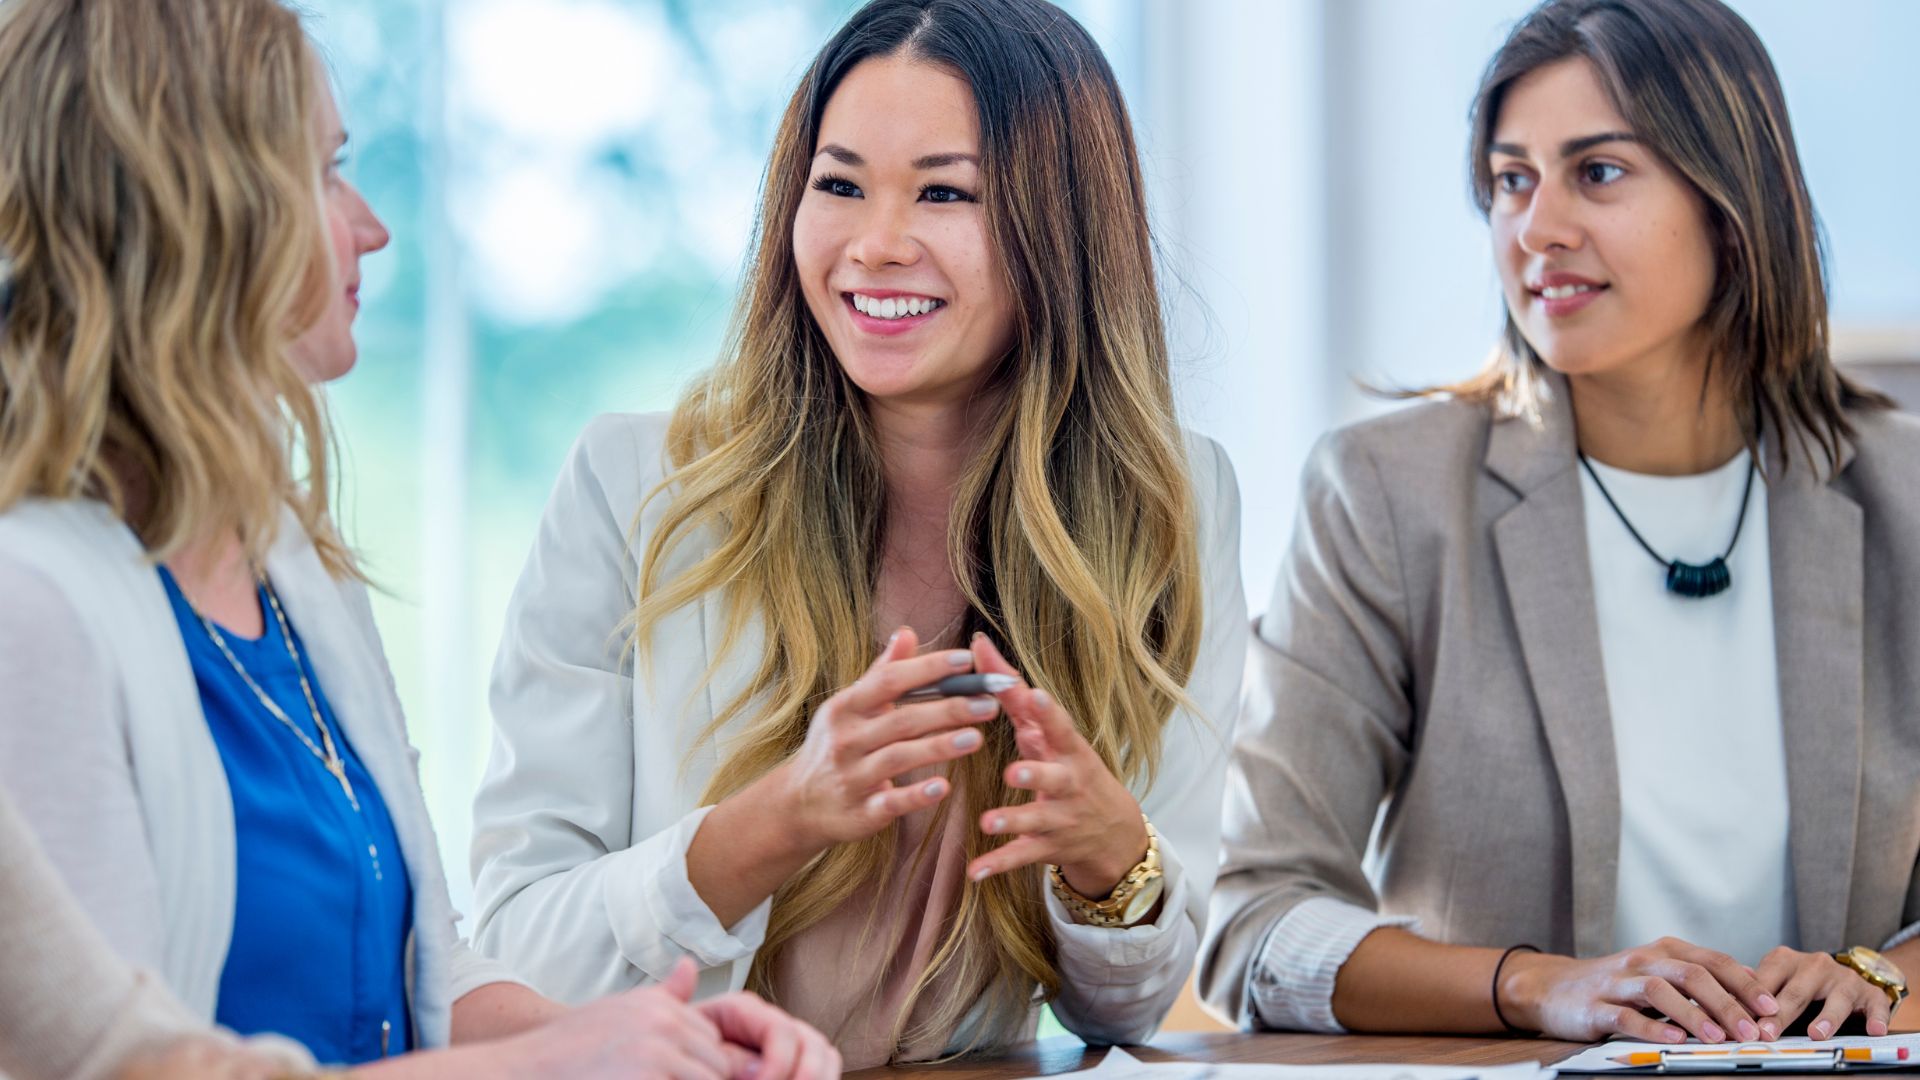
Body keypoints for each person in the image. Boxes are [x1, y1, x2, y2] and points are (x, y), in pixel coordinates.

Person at [0, 1, 832, 1076]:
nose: (370, 223)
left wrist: (639, 1039)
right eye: (327, 169)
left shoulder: (292, 568)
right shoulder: (33, 607)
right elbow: (115, 1062)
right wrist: (541, 1067)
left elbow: (423, 966)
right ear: (204, 209)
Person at [468, 0, 1248, 1067]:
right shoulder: (633, 487)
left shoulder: (1170, 503)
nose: (876, 246)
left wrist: (1116, 864)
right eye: (838, 185)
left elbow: (1124, 1015)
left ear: (1060, 230)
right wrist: (773, 822)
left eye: (944, 192)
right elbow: (518, 953)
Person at [1200, 0, 1920, 1048]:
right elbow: (1255, 924)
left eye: (1600, 172)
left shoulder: (1905, 495)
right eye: (1510, 180)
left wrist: (1882, 979)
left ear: (1732, 201)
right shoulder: (1386, 495)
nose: (1536, 230)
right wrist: (1541, 988)